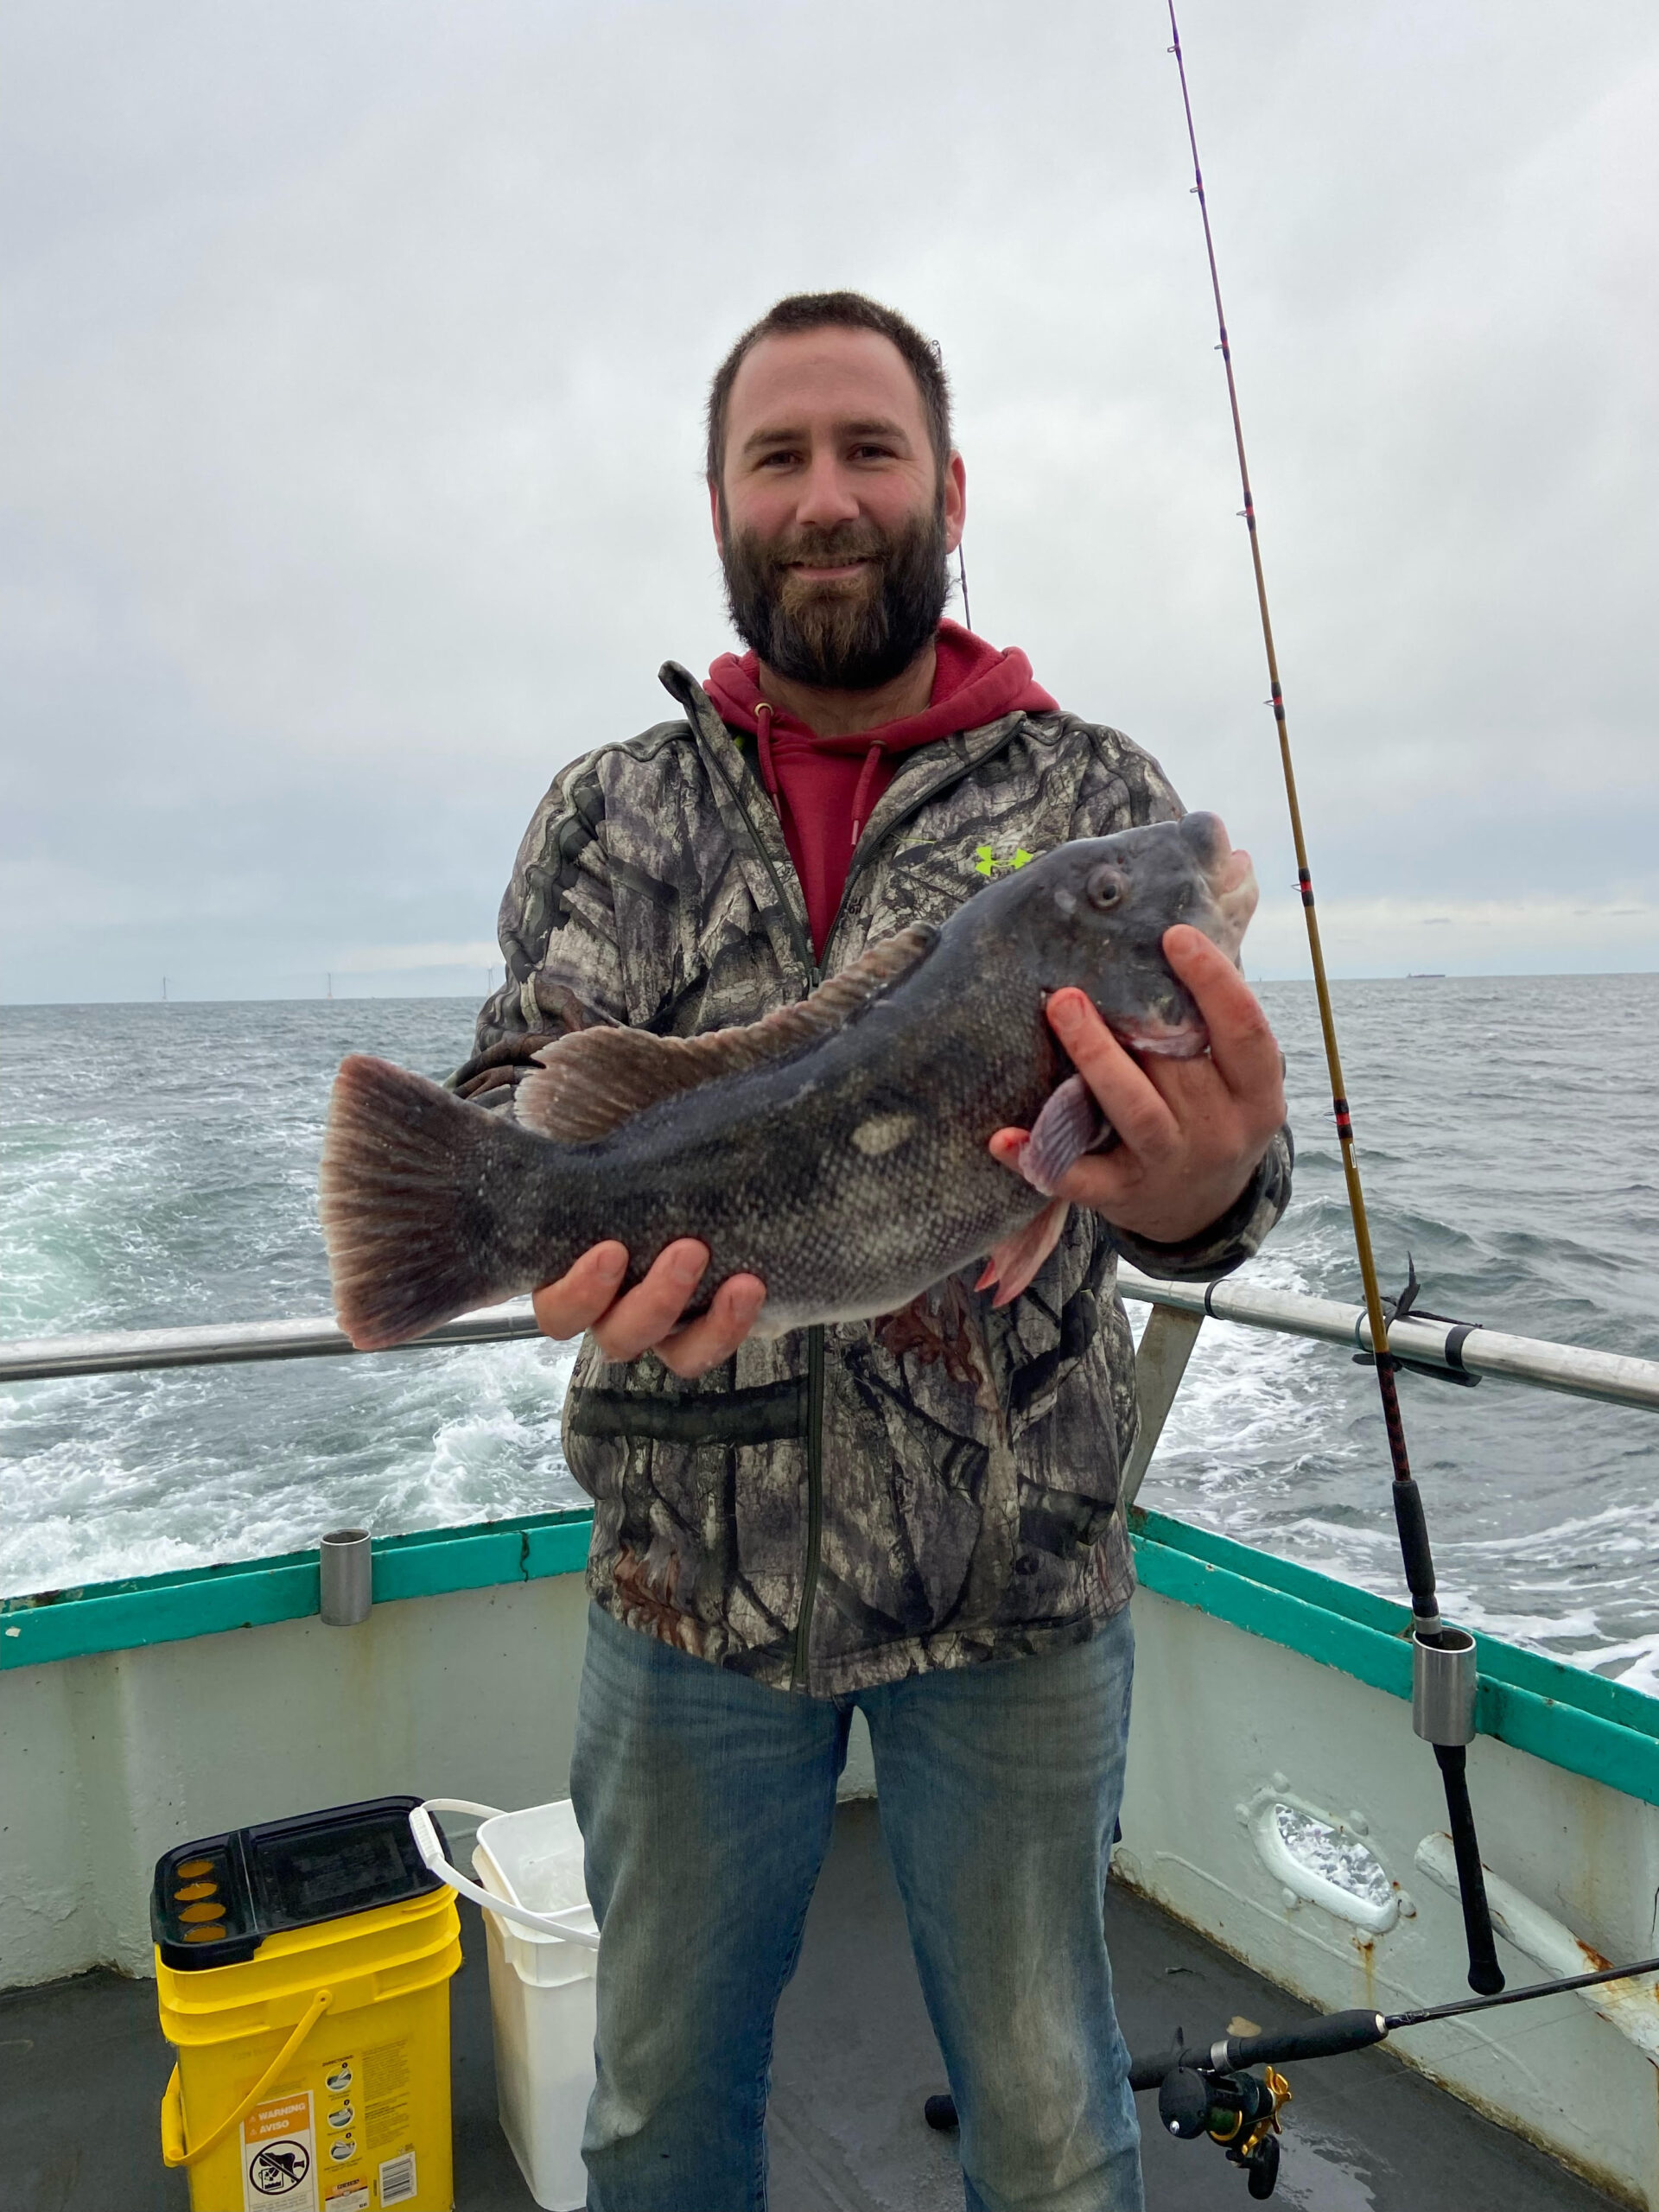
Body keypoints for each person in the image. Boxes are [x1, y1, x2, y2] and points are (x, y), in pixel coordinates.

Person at [450, 291, 1292, 2212]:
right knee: (654, 2120)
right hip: (684, 1592)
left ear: (948, 490)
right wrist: (530, 1218)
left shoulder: (1093, 805)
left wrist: (1193, 1189)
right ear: (724, 505)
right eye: (779, 457)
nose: (826, 497)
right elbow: (530, 1072)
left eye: (868, 451)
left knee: (1057, 2120)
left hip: (1021, 1592)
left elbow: (1229, 1198)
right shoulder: (618, 806)